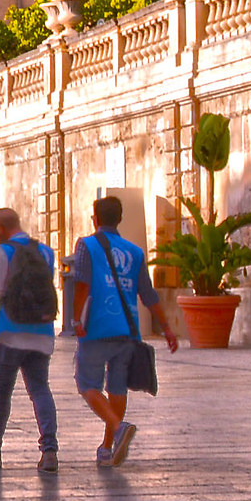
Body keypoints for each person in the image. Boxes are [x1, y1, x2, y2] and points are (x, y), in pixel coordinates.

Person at [66, 194, 178, 466]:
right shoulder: (135, 251)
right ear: (120, 219)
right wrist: (166, 328)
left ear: (95, 219)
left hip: (96, 327)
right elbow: (148, 295)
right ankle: (107, 448)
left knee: (87, 384)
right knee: (117, 388)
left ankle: (118, 428)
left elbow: (81, 284)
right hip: (128, 328)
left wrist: (76, 320)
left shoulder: (87, 245)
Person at [0, 207, 61, 472]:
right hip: (41, 333)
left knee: (1, 393)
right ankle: (49, 451)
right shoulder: (46, 251)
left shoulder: (2, 251)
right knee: (40, 389)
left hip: (9, 333)